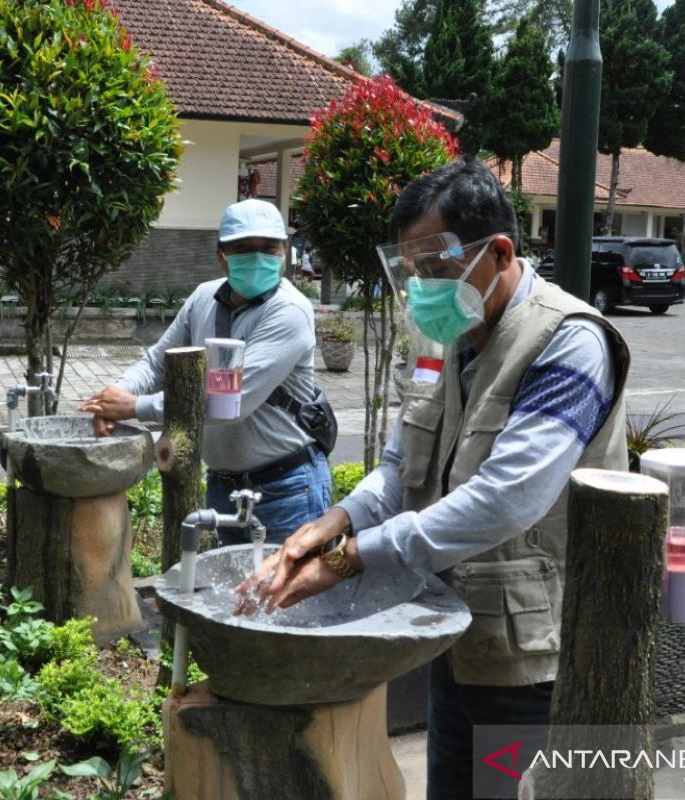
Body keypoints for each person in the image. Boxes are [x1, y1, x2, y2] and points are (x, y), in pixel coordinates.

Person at [239, 158, 631, 799]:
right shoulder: (454, 335)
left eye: (435, 270)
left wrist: (347, 558)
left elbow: (505, 500)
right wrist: (337, 519)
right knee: (452, 787)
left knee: (501, 788)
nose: (422, 288)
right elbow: (400, 464)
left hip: (531, 649)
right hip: (454, 625)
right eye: (412, 272)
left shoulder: (570, 343)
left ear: (499, 252)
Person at [79, 198, 333, 544]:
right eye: (244, 248)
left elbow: (229, 403)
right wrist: (115, 395)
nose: (258, 257)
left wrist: (135, 407)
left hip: (286, 489)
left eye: (269, 248)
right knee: (230, 595)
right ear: (221, 256)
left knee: (287, 598)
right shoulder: (204, 298)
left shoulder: (289, 312)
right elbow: (157, 362)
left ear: (285, 253)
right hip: (224, 487)